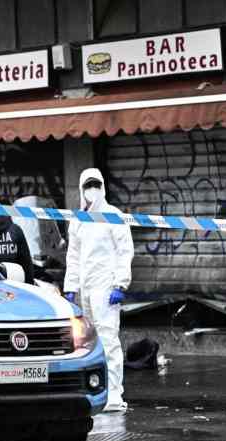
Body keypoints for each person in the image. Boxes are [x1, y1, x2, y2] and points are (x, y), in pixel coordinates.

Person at [64, 168, 134, 413]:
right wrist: (70, 287)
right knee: (88, 342)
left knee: (109, 340)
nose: (91, 190)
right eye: (88, 185)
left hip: (106, 288)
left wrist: (120, 284)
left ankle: (114, 394)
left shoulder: (113, 215)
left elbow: (126, 252)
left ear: (102, 186)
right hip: (85, 288)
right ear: (82, 189)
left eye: (95, 184)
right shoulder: (78, 220)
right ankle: (94, 390)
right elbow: (73, 256)